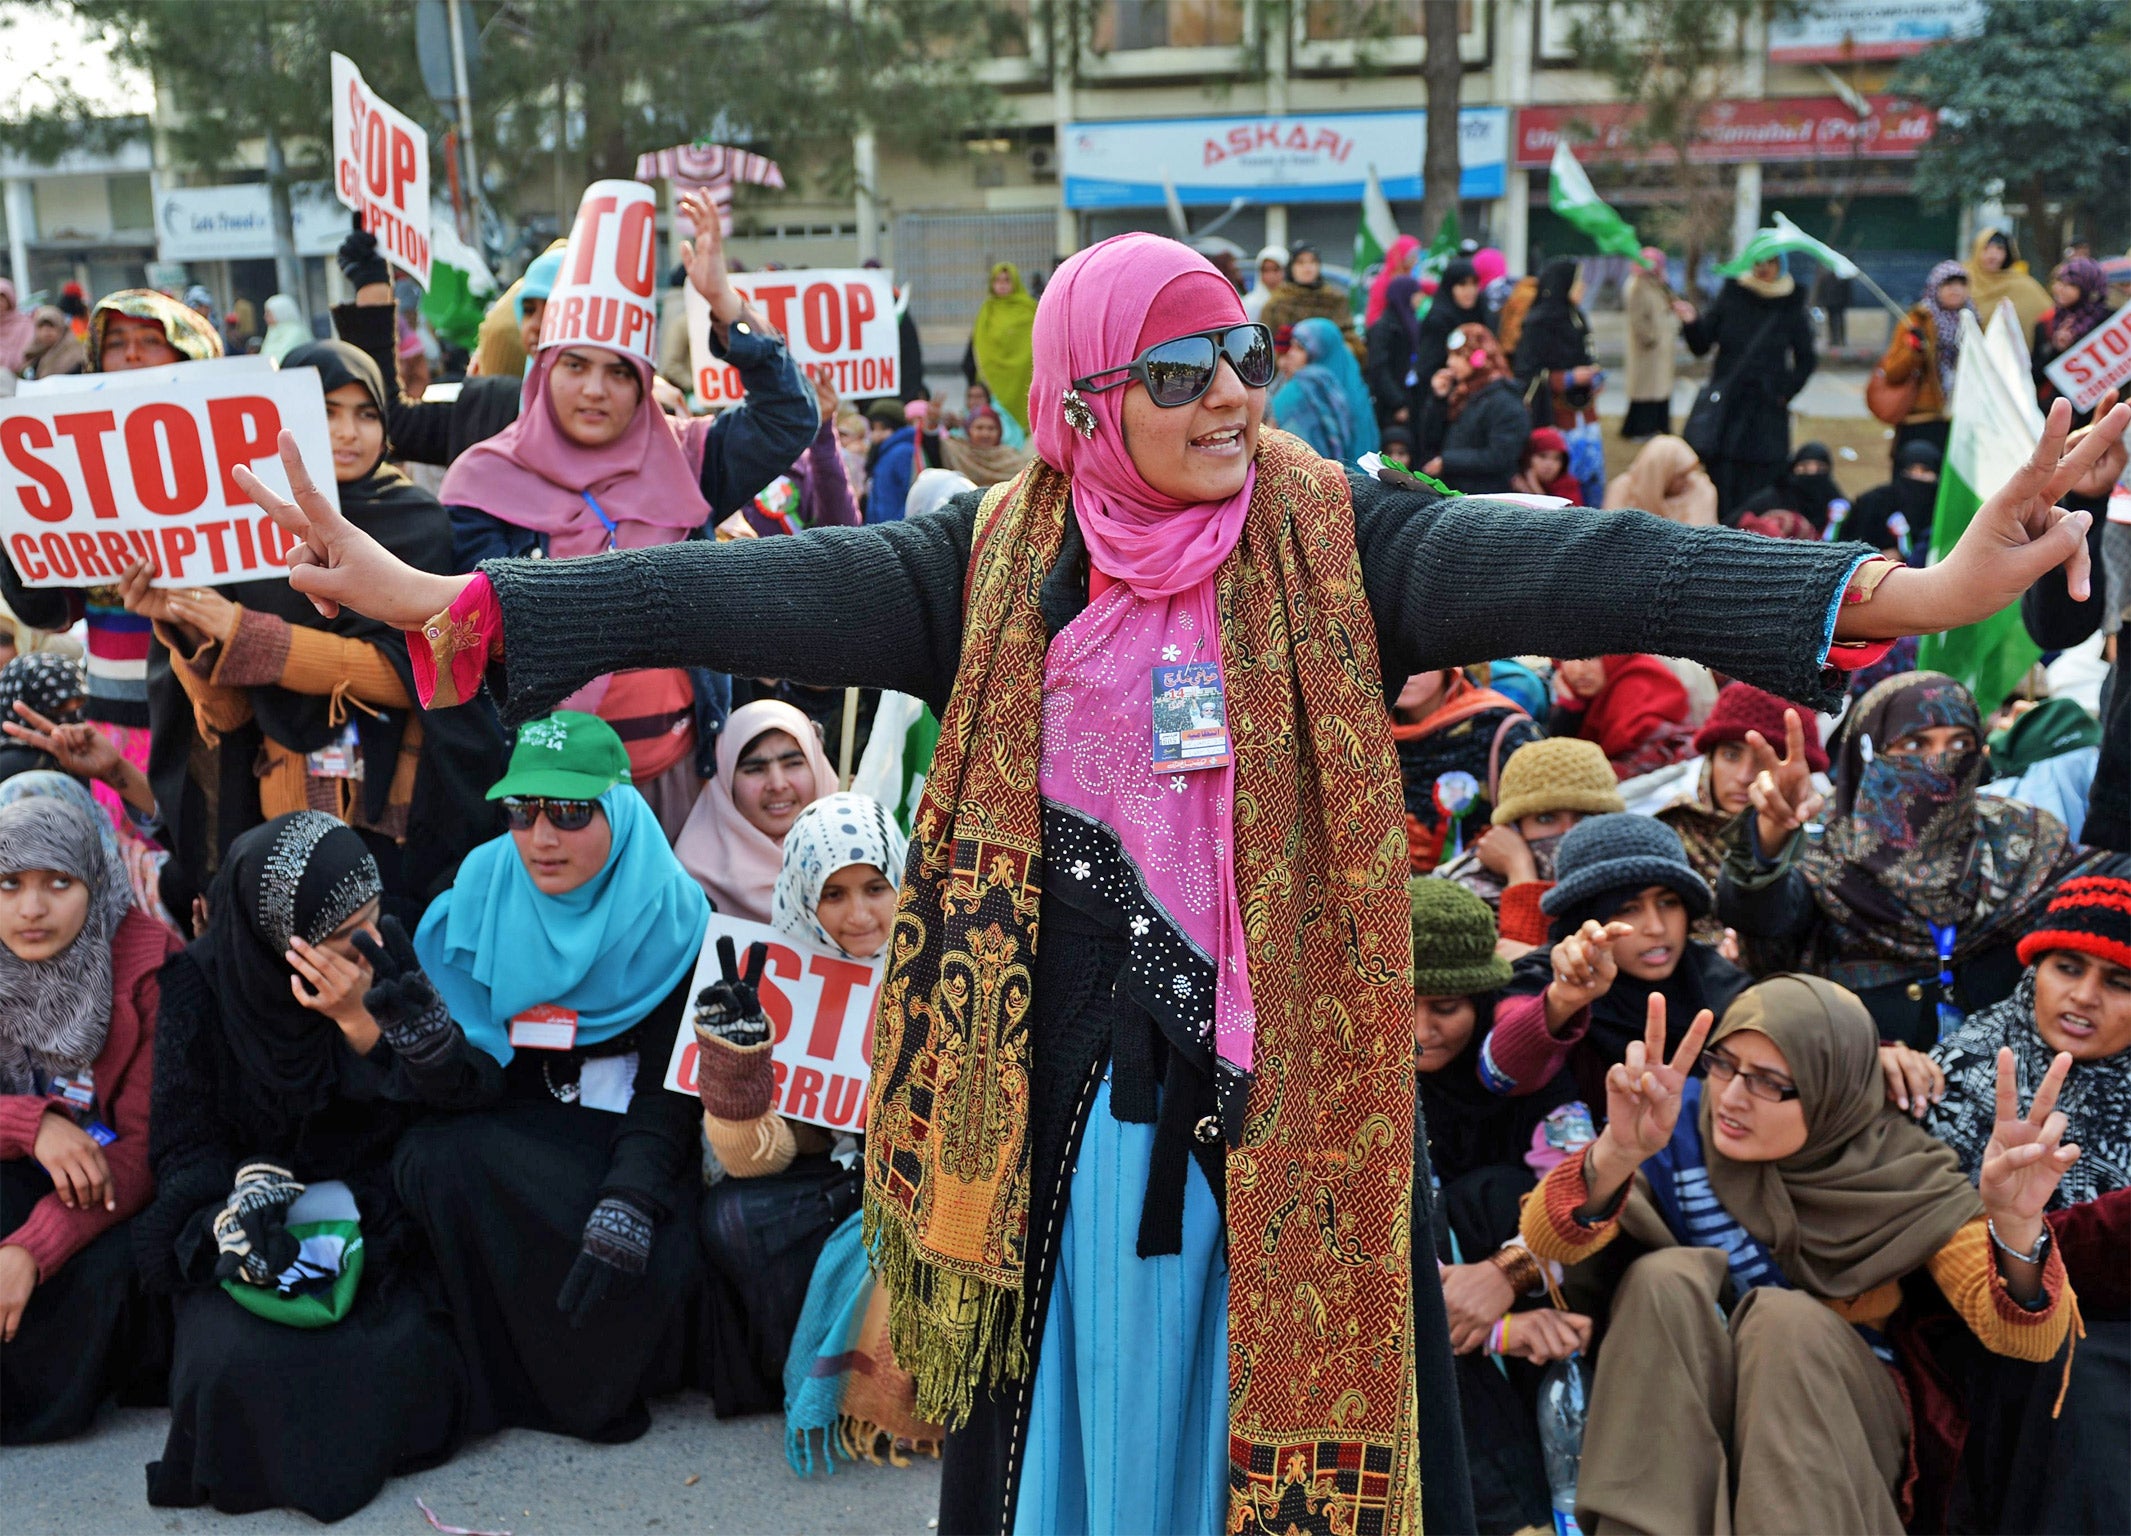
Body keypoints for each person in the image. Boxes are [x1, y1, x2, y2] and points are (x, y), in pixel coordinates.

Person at [235, 225, 2119, 1536]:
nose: (1235, 392)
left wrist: (1908, 600)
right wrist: (452, 604)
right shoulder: (978, 568)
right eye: (1185, 367)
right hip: (1055, 1148)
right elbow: (713, 587)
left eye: (1244, 356)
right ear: (1083, 395)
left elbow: (1591, 565)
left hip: (1289, 1143)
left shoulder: (1336, 539)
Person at [1520, 974, 2077, 1535]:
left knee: (1783, 1321)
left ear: (1833, 1087)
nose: (1733, 1098)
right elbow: (1549, 1242)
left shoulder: (1899, 1171)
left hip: (1834, 1416)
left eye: (1771, 1083)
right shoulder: (1674, 1123)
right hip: (1693, 1398)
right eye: (1724, 1064)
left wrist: (2015, 1225)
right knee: (1663, 1277)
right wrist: (1616, 1153)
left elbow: (2028, 1337)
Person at [139, 812, 500, 1519]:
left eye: (370, 920)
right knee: (235, 1361)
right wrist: (234, 1208)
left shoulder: (384, 950)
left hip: (370, 1209)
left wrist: (365, 1028)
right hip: (248, 1220)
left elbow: (454, 1105)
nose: (364, 944)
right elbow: (182, 1144)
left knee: (390, 1347)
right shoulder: (197, 988)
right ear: (281, 937)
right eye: (341, 935)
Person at [397, 714, 710, 1444]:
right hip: (515, 1124)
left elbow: (668, 1088)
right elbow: (471, 1084)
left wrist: (630, 1197)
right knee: (435, 1159)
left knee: (657, 1248)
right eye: (521, 810)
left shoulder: (674, 915)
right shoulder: (474, 894)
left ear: (620, 810)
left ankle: (581, 1389)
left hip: (625, 1133)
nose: (541, 837)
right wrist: (435, 1053)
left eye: (570, 812)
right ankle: (492, 1381)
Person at [120, 340, 505, 909]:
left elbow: (419, 674)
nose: (348, 431)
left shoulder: (419, 522)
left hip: (402, 824)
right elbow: (228, 716)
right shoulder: (242, 532)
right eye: (326, 411)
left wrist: (252, 636)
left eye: (367, 412)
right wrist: (186, 629)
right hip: (285, 821)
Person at [1718, 674, 2095, 1047]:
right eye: (1915, 744)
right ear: (1867, 752)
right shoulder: (1822, 846)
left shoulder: (2022, 837)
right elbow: (1760, 918)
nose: (1941, 762)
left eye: (1960, 742)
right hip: (1863, 1083)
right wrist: (1770, 837)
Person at [1925, 864, 2130, 1534]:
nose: (2084, 997)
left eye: (2118, 982)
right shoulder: (1958, 1072)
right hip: (2012, 1339)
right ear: (2032, 970)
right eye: (2066, 967)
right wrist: (2013, 1224)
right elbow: (1938, 1244)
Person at [694, 791, 902, 1415]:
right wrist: (739, 1081)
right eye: (832, 895)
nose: (859, 915)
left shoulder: (946, 961)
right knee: (734, 1214)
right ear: (801, 896)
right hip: (841, 1173)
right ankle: (808, 1381)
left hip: (934, 1178)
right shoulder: (773, 981)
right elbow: (762, 1159)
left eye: (875, 887)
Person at [1409, 879, 1592, 1535]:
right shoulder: (1353, 1074)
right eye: (1399, 1004)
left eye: (1445, 1007)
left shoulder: (1532, 1080)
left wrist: (1504, 1276)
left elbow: (1583, 1200)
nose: (1418, 1031)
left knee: (1483, 1195)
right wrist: (1497, 1330)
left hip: (1553, 1292)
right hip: (1432, 1322)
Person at [0, 796, 175, 1443]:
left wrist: (30, 1248)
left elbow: (139, 1154)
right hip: (26, 1163)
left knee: (106, 1274)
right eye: (9, 882)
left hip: (110, 1195)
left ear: (95, 878)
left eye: (58, 881)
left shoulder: (149, 972)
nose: (31, 909)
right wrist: (32, 1126)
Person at [1480, 814, 1748, 1118]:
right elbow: (1501, 1072)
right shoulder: (1546, 975)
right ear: (1585, 916)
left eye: (1668, 903)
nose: (1656, 927)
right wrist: (1562, 1002)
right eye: (1627, 908)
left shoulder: (1717, 981)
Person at [1656, 683, 1827, 947]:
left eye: (1763, 761)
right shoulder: (1668, 836)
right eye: (1731, 755)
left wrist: (1772, 840)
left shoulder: (1825, 841)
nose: (1743, 777)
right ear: (1710, 758)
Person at [1435, 736, 1626, 954]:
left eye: (1583, 817)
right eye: (1546, 819)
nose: (1568, 832)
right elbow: (1523, 975)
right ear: (1514, 828)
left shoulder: (1628, 876)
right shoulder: (1466, 895)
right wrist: (1521, 873)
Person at [674, 698, 835, 921]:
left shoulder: (859, 852)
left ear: (818, 766)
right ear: (726, 781)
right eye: (754, 769)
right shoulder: (688, 882)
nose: (778, 784)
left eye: (793, 764)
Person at [1678, 256, 1817, 514]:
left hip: (1767, 412)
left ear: (1781, 265)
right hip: (1728, 411)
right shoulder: (1733, 293)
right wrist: (1690, 322)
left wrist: (1784, 392)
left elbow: (1806, 359)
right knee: (1721, 481)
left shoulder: (1792, 301)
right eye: (1758, 262)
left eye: (1771, 262)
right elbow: (1702, 344)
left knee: (1760, 488)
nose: (1763, 268)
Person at [1390, 665, 1541, 874]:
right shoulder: (1359, 731)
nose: (1402, 671)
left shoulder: (1501, 727)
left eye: (1412, 657)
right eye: (1386, 657)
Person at [1415, 323, 1526, 495]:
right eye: (1450, 355)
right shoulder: (1461, 394)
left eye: (1459, 355)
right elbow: (1430, 439)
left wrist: (1448, 462)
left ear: (1478, 357)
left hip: (1484, 499)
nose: (1450, 363)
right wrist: (1438, 400)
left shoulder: (1504, 400)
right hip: (1456, 494)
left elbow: (1499, 456)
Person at [1880, 260, 1973, 458]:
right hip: (1921, 419)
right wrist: (1916, 351)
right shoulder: (1918, 320)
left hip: (1962, 420)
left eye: (1961, 284)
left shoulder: (1973, 321)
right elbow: (1892, 372)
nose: (1955, 290)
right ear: (1935, 286)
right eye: (1948, 284)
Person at [1549, 653, 1692, 778]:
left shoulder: (1637, 684)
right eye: (1568, 658)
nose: (1580, 670)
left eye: (1593, 657)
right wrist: (1570, 708)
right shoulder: (1583, 702)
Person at [1269, 315, 1377, 462]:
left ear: (1319, 353)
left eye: (1300, 348)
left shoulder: (1297, 390)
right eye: (1292, 346)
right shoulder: (1354, 386)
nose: (1291, 354)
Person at [2033, 255, 2112, 419]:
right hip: (2055, 414)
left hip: (2101, 415)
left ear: (2088, 287)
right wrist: (2055, 349)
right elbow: (2034, 375)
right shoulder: (2046, 323)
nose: (2060, 289)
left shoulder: (2108, 322)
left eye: (2070, 284)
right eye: (2059, 282)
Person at [1840, 438, 1941, 562]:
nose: (1917, 477)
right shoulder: (1874, 502)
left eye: (1925, 471)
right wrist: (1877, 556)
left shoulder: (1942, 506)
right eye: (1911, 470)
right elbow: (1852, 542)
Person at [970, 262, 1038, 437]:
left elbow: (1036, 342)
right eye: (997, 280)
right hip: (994, 378)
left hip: (1023, 377)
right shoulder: (987, 310)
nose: (1002, 284)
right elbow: (978, 343)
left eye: (1007, 280)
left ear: (1015, 282)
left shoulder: (1029, 308)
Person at [1258, 241, 1360, 357]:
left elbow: (1350, 338)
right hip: (1287, 370)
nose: (1307, 268)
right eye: (1300, 262)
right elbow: (1264, 346)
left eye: (1312, 262)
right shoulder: (1277, 303)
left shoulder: (1335, 300)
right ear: (1291, 267)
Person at [1621, 247, 1678, 440]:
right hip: (1647, 351)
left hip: (1660, 350)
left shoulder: (1658, 284)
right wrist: (1651, 337)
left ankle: (1658, 426)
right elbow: (1637, 320)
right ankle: (1641, 429)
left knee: (1659, 390)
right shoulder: (1637, 286)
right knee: (1645, 390)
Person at [1733, 438, 1846, 535]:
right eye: (1804, 467)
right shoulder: (1774, 497)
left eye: (1820, 469)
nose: (1812, 473)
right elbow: (1734, 522)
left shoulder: (1835, 503)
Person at [1601, 432, 1716, 526]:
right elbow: (1613, 534)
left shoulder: (1699, 488)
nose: (1688, 480)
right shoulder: (1623, 488)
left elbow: (1701, 536)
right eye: (1680, 476)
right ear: (1662, 475)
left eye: (1689, 473)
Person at [1966, 227, 2053, 338]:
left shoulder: (2023, 284)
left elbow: (2047, 315)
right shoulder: (1963, 278)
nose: (1993, 255)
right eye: (1986, 248)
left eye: (1999, 248)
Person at [1363, 273, 1423, 433]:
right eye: (1416, 293)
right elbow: (1379, 368)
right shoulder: (1384, 328)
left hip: (1406, 398)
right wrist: (1397, 402)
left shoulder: (1410, 323)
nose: (1420, 298)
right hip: (1388, 405)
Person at [1412, 257, 1486, 385]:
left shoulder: (1481, 312)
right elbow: (1427, 367)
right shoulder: (1439, 320)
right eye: (1462, 284)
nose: (1470, 290)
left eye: (1474, 284)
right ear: (1450, 287)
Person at [940, 405, 1032, 488]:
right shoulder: (958, 451)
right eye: (979, 428)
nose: (985, 434)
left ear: (999, 432)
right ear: (969, 430)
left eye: (991, 428)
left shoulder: (1010, 457)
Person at [863, 398, 920, 523]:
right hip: (880, 531)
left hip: (896, 532)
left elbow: (912, 493)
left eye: (883, 428)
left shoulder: (903, 452)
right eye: (873, 428)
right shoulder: (882, 452)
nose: (876, 434)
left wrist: (899, 526)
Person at [1511, 426, 1583, 503]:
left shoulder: (1568, 486)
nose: (1549, 465)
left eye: (1557, 458)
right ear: (1528, 457)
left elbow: (1567, 514)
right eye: (1542, 456)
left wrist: (1534, 489)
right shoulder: (1514, 482)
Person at [1364, 233, 1421, 327]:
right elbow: (1373, 316)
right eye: (1412, 256)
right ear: (1402, 257)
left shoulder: (1408, 277)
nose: (1416, 260)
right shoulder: (1383, 282)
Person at [19, 304, 86, 380]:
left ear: (62, 328)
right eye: (41, 326)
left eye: (51, 326)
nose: (46, 331)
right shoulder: (33, 354)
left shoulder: (74, 353)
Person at [258, 293, 311, 365]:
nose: (265, 316)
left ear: (280, 312)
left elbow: (281, 358)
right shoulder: (273, 331)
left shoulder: (296, 332)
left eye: (269, 313)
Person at [1240, 244, 1287, 323]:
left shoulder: (1296, 302)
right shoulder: (1249, 304)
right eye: (1265, 270)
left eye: (1276, 270)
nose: (1271, 276)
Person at [1813, 258, 1853, 350]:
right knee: (1832, 321)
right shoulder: (1826, 278)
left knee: (1840, 321)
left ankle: (1841, 339)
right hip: (1830, 303)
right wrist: (1821, 302)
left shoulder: (1843, 278)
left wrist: (1848, 302)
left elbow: (1847, 292)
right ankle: (1834, 340)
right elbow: (1822, 291)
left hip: (1839, 303)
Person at [0, 278, 36, 375]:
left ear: (9, 300)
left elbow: (26, 352)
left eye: (1, 299)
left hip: (17, 378)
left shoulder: (23, 324)